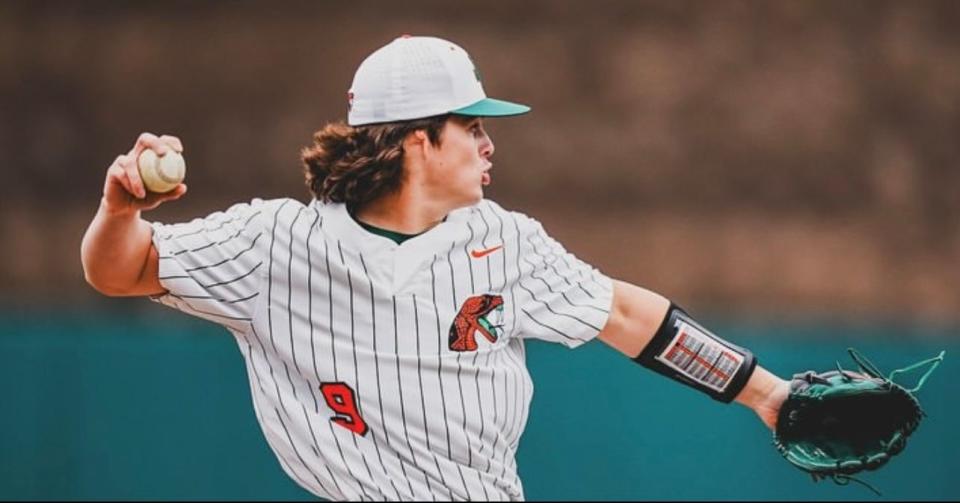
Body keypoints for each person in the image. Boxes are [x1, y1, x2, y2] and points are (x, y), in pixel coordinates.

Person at [81, 35, 789, 501]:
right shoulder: (275, 243)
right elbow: (121, 269)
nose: (488, 145)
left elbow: (632, 318)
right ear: (419, 140)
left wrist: (769, 395)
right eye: (472, 127)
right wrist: (120, 209)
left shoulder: (505, 241)